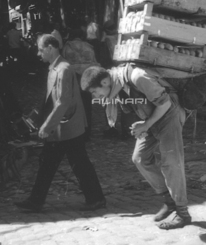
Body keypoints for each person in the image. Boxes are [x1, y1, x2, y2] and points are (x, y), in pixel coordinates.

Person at [80, 63, 191, 229]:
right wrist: (144, 122)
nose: (95, 96)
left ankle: (182, 213)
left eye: (94, 92)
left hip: (170, 114)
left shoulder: (137, 77)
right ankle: (169, 201)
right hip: (153, 117)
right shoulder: (117, 84)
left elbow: (165, 104)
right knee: (139, 158)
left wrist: (146, 125)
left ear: (104, 82)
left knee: (171, 162)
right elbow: (140, 104)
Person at [15, 34, 106, 212]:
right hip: (64, 127)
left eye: (41, 50)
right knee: (53, 163)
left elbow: (63, 102)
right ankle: (37, 200)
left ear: (50, 48)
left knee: (68, 164)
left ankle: (37, 201)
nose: (38, 53)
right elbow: (51, 100)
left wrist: (46, 126)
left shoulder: (63, 69)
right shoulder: (55, 67)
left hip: (68, 127)